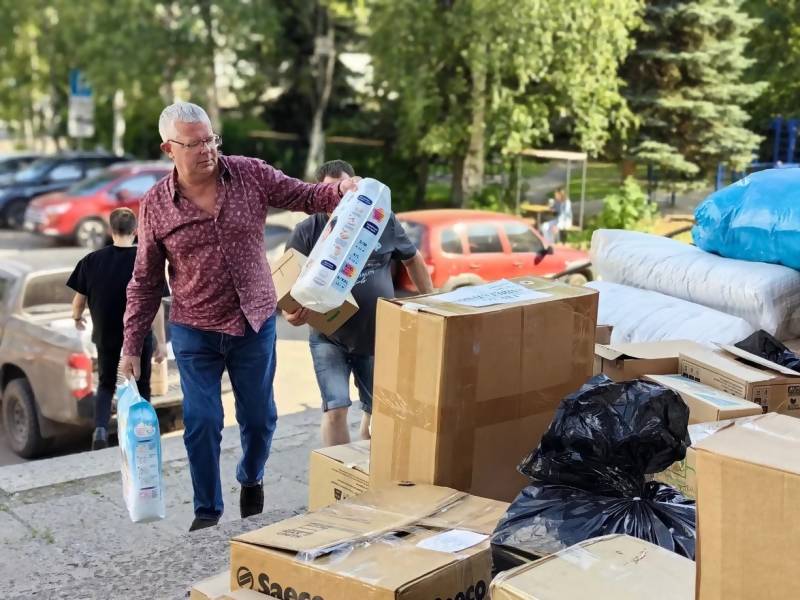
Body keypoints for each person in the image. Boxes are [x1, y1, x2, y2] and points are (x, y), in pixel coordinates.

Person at [120, 102, 360, 532]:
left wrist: (340, 191)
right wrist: (131, 346)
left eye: (211, 139)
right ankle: (207, 511)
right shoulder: (156, 204)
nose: (207, 150)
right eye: (194, 144)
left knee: (260, 419)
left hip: (254, 322)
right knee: (202, 421)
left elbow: (305, 196)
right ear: (169, 149)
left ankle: (251, 477)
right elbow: (144, 281)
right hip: (195, 329)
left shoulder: (249, 174)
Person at [283, 160, 434, 446]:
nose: (339, 200)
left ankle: (366, 462)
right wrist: (291, 314)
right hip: (329, 337)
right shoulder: (307, 231)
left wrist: (431, 300)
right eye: (331, 193)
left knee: (379, 412)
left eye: (345, 191)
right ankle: (337, 470)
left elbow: (412, 259)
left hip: (377, 336)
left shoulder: (380, 220)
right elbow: (285, 288)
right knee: (335, 410)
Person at [67, 208, 168, 450]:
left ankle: (101, 430)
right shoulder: (146, 261)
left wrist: (77, 318)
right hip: (140, 335)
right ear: (136, 231)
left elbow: (78, 301)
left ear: (110, 231)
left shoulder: (91, 261)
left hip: (106, 334)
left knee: (106, 384)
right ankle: (142, 431)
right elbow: (155, 306)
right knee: (141, 383)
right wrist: (161, 342)